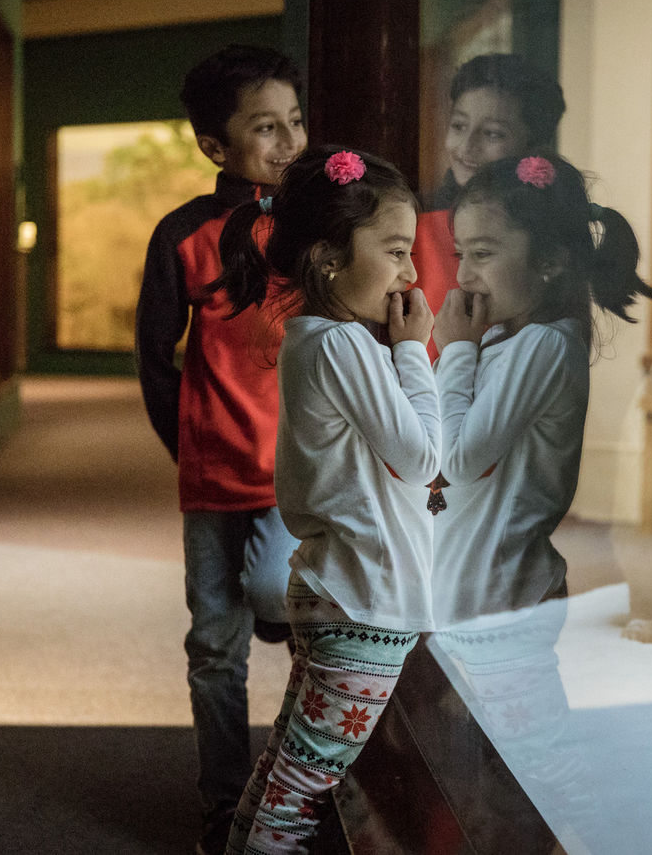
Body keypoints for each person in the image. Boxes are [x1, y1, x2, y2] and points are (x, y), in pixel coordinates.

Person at [425, 153, 652, 847]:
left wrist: (452, 350)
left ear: (553, 261)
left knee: (543, 764)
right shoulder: (511, 339)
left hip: (501, 602)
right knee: (497, 768)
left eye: (486, 253)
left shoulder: (543, 346)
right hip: (475, 597)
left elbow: (461, 456)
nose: (465, 273)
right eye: (461, 252)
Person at [212, 146, 440, 855]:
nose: (411, 272)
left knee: (289, 767)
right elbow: (423, 456)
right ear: (329, 257)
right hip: (364, 600)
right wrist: (414, 351)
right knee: (303, 781)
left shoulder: (325, 342)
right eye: (396, 251)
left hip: (344, 594)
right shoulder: (343, 346)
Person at [134, 44, 308, 855]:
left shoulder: (319, 224)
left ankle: (305, 786)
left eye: (295, 122)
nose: (288, 142)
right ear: (214, 146)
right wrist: (188, 440)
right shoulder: (182, 233)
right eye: (266, 128)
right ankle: (224, 802)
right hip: (212, 475)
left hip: (298, 471)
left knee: (277, 596)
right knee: (214, 647)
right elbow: (154, 352)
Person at [414, 54, 567, 325]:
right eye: (459, 126)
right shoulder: (416, 223)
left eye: (492, 133)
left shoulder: (546, 231)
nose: (466, 147)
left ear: (533, 145)